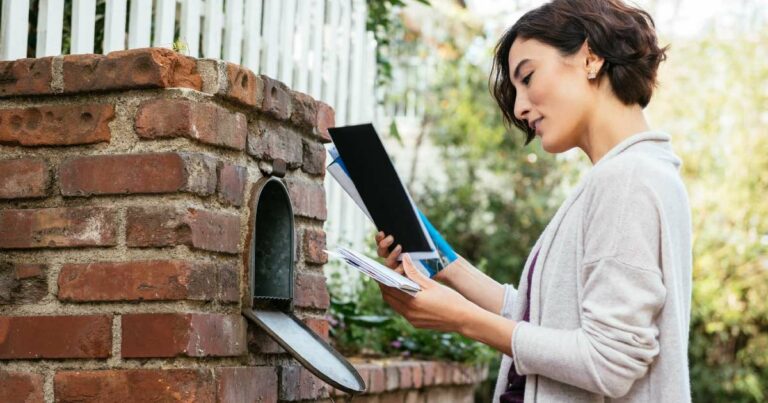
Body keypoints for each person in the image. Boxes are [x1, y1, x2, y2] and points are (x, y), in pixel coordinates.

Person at [372, 0, 693, 401]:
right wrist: (445, 267)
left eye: (527, 77)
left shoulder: (627, 180)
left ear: (589, 58)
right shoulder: (627, 175)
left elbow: (609, 361)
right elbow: (539, 321)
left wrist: (460, 319)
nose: (520, 107)